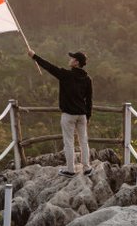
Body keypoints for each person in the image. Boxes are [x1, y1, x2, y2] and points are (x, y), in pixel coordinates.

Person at [27, 48, 93, 177]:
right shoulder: (87, 79)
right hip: (82, 115)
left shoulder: (65, 75)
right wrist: (88, 115)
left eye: (72, 58)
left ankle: (70, 170)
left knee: (69, 142)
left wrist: (34, 56)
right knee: (83, 141)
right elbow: (89, 99)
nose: (70, 59)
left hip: (68, 115)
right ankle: (87, 168)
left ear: (76, 62)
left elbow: (49, 67)